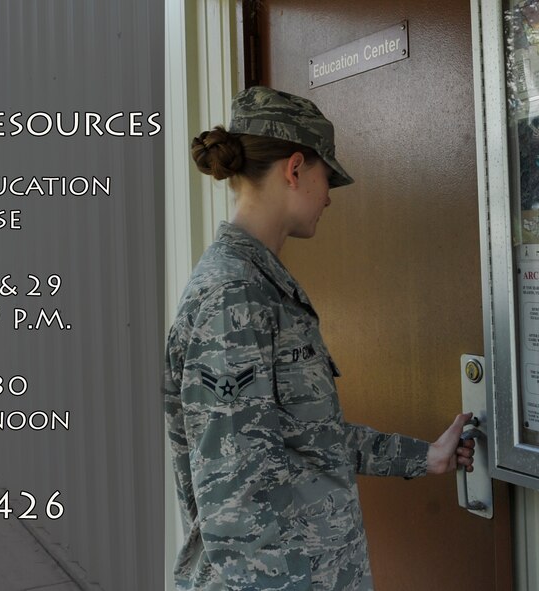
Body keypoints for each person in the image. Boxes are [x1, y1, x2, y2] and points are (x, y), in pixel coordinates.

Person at [163, 86, 476, 591]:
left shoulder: (261, 285)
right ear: (294, 169)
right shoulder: (233, 296)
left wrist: (424, 456)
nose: (329, 196)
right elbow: (235, 504)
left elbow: (305, 436)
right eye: (326, 177)